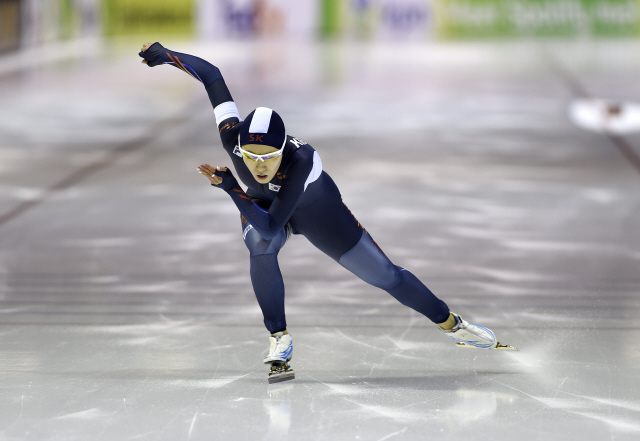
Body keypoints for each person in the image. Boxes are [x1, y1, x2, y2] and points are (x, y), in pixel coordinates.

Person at [139, 42, 514, 380]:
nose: (260, 165)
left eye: (269, 156)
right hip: (267, 208)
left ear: (283, 149)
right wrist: (166, 55)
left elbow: (272, 225)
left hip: (317, 212)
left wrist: (231, 187)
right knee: (260, 248)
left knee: (386, 277)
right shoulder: (231, 136)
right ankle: (279, 337)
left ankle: (451, 323)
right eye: (251, 157)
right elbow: (212, 76)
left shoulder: (302, 161)